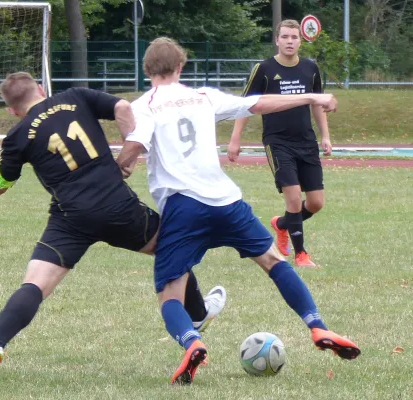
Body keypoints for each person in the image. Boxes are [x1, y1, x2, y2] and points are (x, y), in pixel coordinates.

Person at [0, 72, 227, 389]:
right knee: (171, 246)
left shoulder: (18, 135)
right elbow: (124, 107)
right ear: (41, 89)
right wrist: (128, 155)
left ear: (12, 110)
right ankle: (198, 316)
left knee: (35, 285)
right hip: (116, 205)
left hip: (70, 218)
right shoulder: (75, 97)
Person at [116, 37, 360, 385]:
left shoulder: (143, 106)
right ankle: (317, 326)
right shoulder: (204, 96)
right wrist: (311, 96)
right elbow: (259, 103)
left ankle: (192, 341)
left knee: (170, 292)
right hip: (226, 201)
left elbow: (134, 146)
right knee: (275, 261)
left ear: (147, 70)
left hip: (183, 206)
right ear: (181, 67)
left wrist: (117, 170)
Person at [227, 19, 332, 267]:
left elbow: (317, 104)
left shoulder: (311, 68)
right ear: (277, 40)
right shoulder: (263, 69)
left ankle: (282, 224)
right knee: (294, 198)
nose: (289, 41)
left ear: (300, 40)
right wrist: (235, 139)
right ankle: (301, 255)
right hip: (278, 143)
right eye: (284, 37)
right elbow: (245, 105)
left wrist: (325, 135)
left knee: (316, 203)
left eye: (294, 37)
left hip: (306, 142)